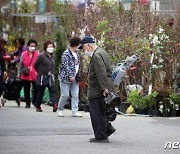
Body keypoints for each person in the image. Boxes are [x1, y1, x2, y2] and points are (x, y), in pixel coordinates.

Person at [78, 36, 116, 142]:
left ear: (88, 45)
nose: (84, 51)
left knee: (96, 113)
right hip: (103, 85)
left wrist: (104, 88)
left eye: (84, 48)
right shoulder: (102, 52)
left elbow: (101, 72)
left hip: (97, 88)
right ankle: (106, 130)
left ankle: (101, 135)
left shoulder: (96, 55)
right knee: (101, 111)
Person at [57, 36, 82, 117]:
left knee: (75, 94)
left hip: (75, 78)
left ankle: (75, 111)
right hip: (65, 78)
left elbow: (78, 66)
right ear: (75, 44)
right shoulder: (66, 54)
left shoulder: (77, 54)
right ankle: (60, 109)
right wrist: (70, 75)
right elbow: (65, 65)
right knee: (65, 94)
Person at [34, 41, 58, 112]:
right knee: (41, 92)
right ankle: (38, 105)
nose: (51, 48)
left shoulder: (53, 56)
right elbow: (35, 65)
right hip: (42, 76)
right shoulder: (41, 56)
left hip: (50, 76)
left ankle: (54, 104)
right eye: (49, 46)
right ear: (46, 47)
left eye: (52, 46)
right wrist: (40, 72)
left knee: (52, 91)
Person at [18, 39, 39, 108]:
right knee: (26, 89)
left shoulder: (37, 54)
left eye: (34, 46)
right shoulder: (24, 54)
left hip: (35, 74)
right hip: (26, 74)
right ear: (28, 46)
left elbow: (39, 64)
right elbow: (21, 64)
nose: (33, 47)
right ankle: (27, 103)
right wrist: (19, 73)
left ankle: (34, 101)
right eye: (31, 46)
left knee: (36, 88)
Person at [0, 38, 12, 107]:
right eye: (1, 44)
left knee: (2, 86)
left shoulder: (3, 50)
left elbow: (3, 62)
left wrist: (4, 70)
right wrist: (4, 57)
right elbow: (2, 58)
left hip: (0, 70)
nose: (2, 45)